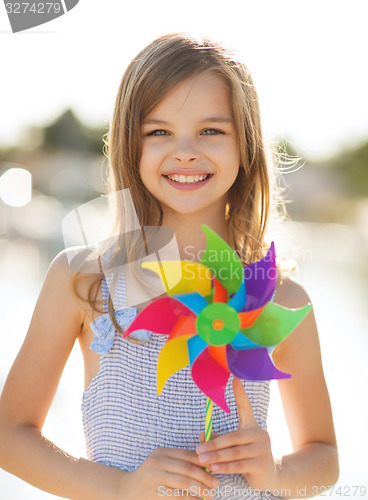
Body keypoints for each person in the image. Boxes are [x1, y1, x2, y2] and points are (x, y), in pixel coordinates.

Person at [0, 33, 339, 500]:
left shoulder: (282, 301)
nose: (185, 151)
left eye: (211, 130)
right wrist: (122, 487)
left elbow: (324, 461)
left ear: (247, 144)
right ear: (128, 144)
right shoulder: (85, 279)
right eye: (158, 131)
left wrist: (278, 471)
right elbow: (10, 437)